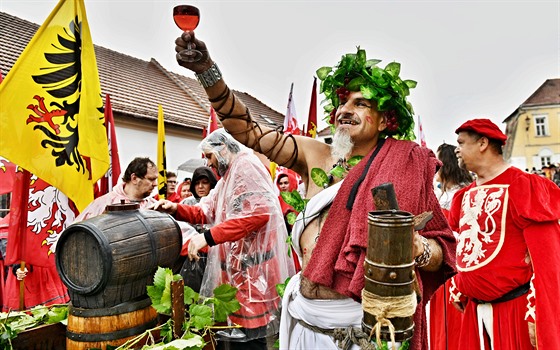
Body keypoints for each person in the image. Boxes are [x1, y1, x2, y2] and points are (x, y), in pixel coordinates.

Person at [174, 32, 456, 349]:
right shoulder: (315, 155)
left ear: (384, 120)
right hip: (305, 321)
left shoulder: (405, 164)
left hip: (363, 332)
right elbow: (248, 132)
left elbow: (443, 250)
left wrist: (418, 247)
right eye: (341, 102)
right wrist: (207, 73)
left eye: (360, 103)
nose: (345, 109)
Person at [154, 129, 295, 350]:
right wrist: (175, 208)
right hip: (236, 279)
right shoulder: (227, 178)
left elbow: (258, 214)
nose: (209, 164)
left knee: (250, 342)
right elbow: (207, 211)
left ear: (224, 148)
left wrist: (207, 237)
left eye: (210, 156)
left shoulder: (246, 167)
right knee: (231, 338)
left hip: (252, 279)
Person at [448, 118, 560, 349]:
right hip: (473, 313)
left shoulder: (524, 186)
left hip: (515, 311)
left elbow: (548, 259)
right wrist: (459, 285)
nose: (456, 149)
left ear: (482, 143)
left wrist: (536, 312)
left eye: (461, 142)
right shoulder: (464, 196)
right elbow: (464, 247)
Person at [428, 143, 473, 350]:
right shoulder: (439, 194)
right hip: (440, 263)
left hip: (457, 265)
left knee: (456, 319)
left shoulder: (463, 193)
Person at [74, 157, 158, 221]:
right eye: (151, 179)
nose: (155, 184)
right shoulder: (102, 204)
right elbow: (75, 234)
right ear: (134, 178)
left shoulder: (154, 205)